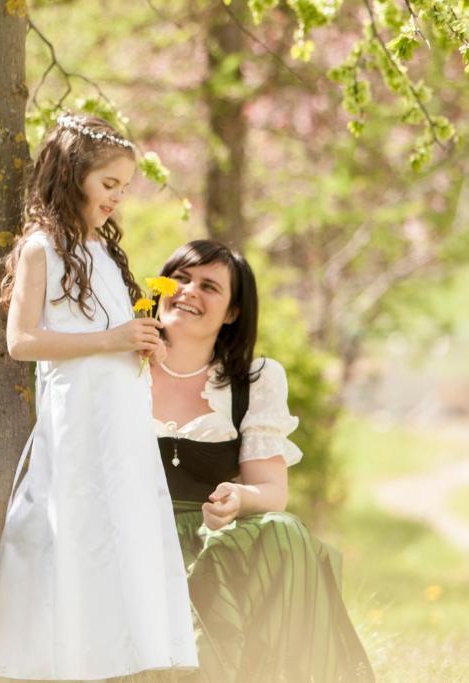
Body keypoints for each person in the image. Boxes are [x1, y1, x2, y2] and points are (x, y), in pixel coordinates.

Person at [0, 114, 197, 680]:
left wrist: (138, 344)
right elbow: (21, 341)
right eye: (109, 185)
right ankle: (60, 656)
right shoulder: (41, 248)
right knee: (72, 525)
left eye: (124, 188)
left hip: (122, 411)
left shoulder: (102, 251)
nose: (117, 199)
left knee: (122, 524)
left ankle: (126, 652)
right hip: (77, 413)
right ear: (73, 176)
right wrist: (110, 339)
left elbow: (112, 335)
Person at [150, 239, 375, 682]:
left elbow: (272, 492)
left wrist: (238, 496)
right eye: (180, 278)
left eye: (209, 286)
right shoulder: (118, 366)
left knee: (283, 531)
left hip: (206, 535)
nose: (189, 291)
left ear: (233, 312)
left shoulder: (253, 380)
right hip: (129, 531)